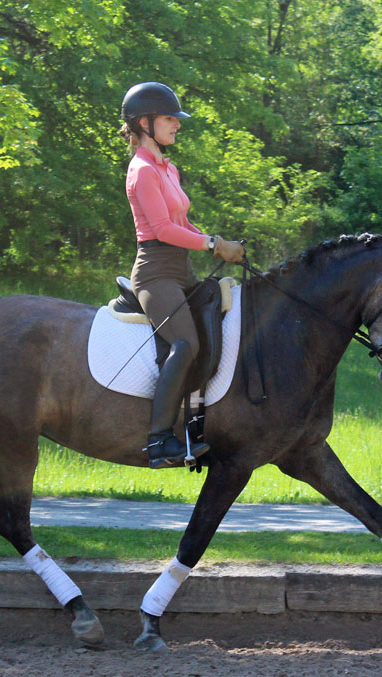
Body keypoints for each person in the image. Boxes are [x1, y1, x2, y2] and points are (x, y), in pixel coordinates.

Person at [119, 81, 246, 468]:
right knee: (185, 345)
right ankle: (159, 440)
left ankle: (202, 423)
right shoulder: (141, 171)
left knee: (220, 327)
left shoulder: (168, 168)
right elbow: (161, 229)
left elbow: (183, 223)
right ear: (145, 122)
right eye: (169, 119)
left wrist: (220, 244)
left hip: (182, 270)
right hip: (155, 274)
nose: (177, 125)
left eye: (177, 119)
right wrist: (212, 244)